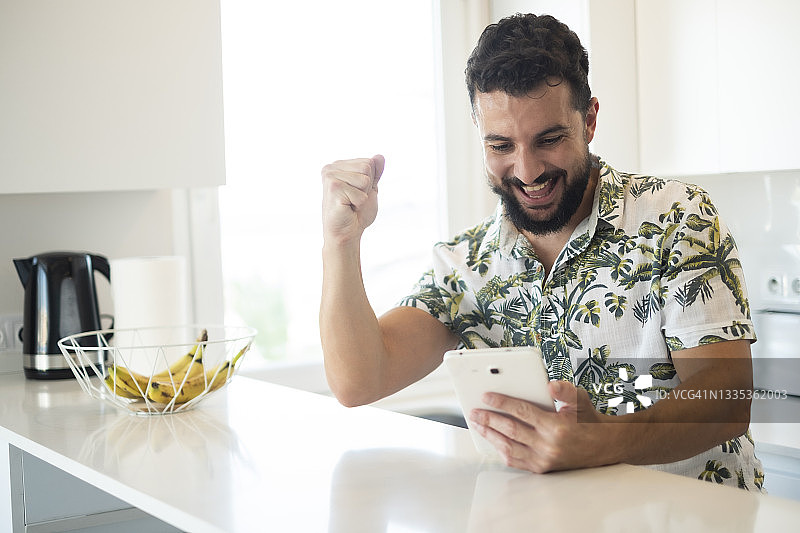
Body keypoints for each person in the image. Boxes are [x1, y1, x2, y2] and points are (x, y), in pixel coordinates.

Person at [319, 13, 764, 491]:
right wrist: (341, 241)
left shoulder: (675, 216)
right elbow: (359, 380)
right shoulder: (466, 264)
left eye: (549, 140)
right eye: (501, 145)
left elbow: (728, 395)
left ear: (589, 120)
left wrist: (605, 440)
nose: (527, 170)